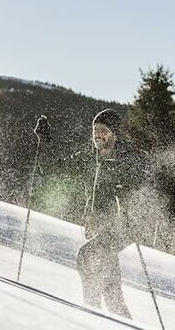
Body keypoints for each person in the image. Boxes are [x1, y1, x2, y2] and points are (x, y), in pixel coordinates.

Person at [77, 108, 150, 318]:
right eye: (95, 129)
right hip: (102, 228)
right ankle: (121, 321)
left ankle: (90, 314)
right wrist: (44, 142)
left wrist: (128, 186)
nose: (98, 134)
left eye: (104, 130)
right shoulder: (92, 156)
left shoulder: (126, 157)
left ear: (115, 134)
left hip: (126, 224)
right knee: (110, 286)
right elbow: (60, 164)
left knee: (87, 255)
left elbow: (143, 175)